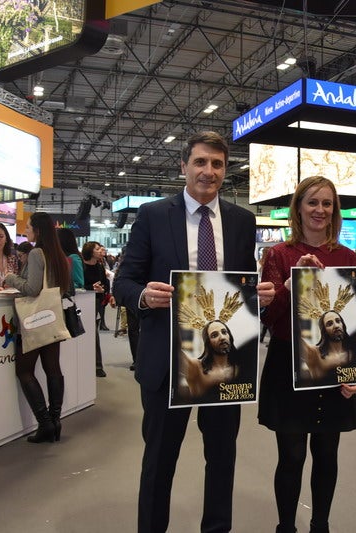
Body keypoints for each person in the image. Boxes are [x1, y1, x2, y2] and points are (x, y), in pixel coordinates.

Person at [111, 131, 275, 533]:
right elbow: (124, 282)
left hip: (224, 364)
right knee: (160, 460)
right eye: (200, 162)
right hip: (167, 360)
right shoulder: (152, 215)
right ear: (183, 166)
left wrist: (259, 297)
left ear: (225, 170)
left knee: (222, 458)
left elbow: (240, 288)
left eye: (217, 164)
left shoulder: (241, 220)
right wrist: (144, 297)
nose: (209, 171)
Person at [259, 175, 356, 533]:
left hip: (332, 368)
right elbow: (268, 319)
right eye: (312, 202)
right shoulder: (278, 255)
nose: (320, 210)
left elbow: (353, 324)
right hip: (288, 366)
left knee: (327, 454)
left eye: (327, 203)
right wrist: (291, 282)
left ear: (335, 211)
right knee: (291, 455)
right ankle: (285, 527)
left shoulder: (346, 257)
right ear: (298, 208)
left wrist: (354, 373)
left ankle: (321, 525)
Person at [2, 212, 71, 443]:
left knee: (24, 370)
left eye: (29, 226)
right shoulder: (58, 255)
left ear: (38, 230)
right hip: (52, 317)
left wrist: (10, 278)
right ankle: (55, 420)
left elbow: (32, 289)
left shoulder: (35, 253)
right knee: (53, 369)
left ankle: (45, 423)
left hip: (33, 319)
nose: (26, 229)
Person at [181, 319, 239, 400]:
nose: (222, 337)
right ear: (208, 343)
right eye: (214, 335)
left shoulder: (239, 365)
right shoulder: (197, 367)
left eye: (224, 332)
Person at [82, 241, 109, 378]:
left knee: (94, 334)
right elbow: (78, 285)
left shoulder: (99, 267)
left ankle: (98, 365)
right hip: (83, 302)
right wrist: (91, 288)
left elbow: (105, 282)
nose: (100, 251)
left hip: (96, 302)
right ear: (90, 251)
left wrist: (102, 290)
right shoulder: (81, 266)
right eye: (97, 249)